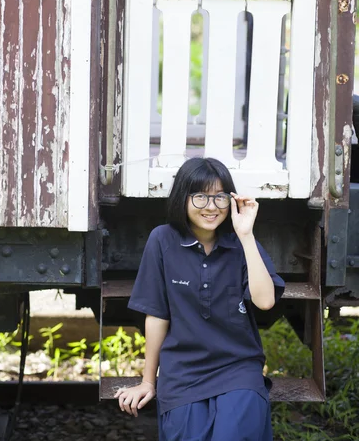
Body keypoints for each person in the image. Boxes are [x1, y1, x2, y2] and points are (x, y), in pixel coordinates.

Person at [115, 157, 285, 441]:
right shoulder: (162, 240)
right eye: (200, 197)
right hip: (182, 373)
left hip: (238, 369)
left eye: (219, 197)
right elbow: (157, 315)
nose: (211, 206)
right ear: (183, 198)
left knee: (235, 433)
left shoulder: (240, 242)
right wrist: (148, 381)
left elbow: (265, 301)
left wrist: (245, 234)